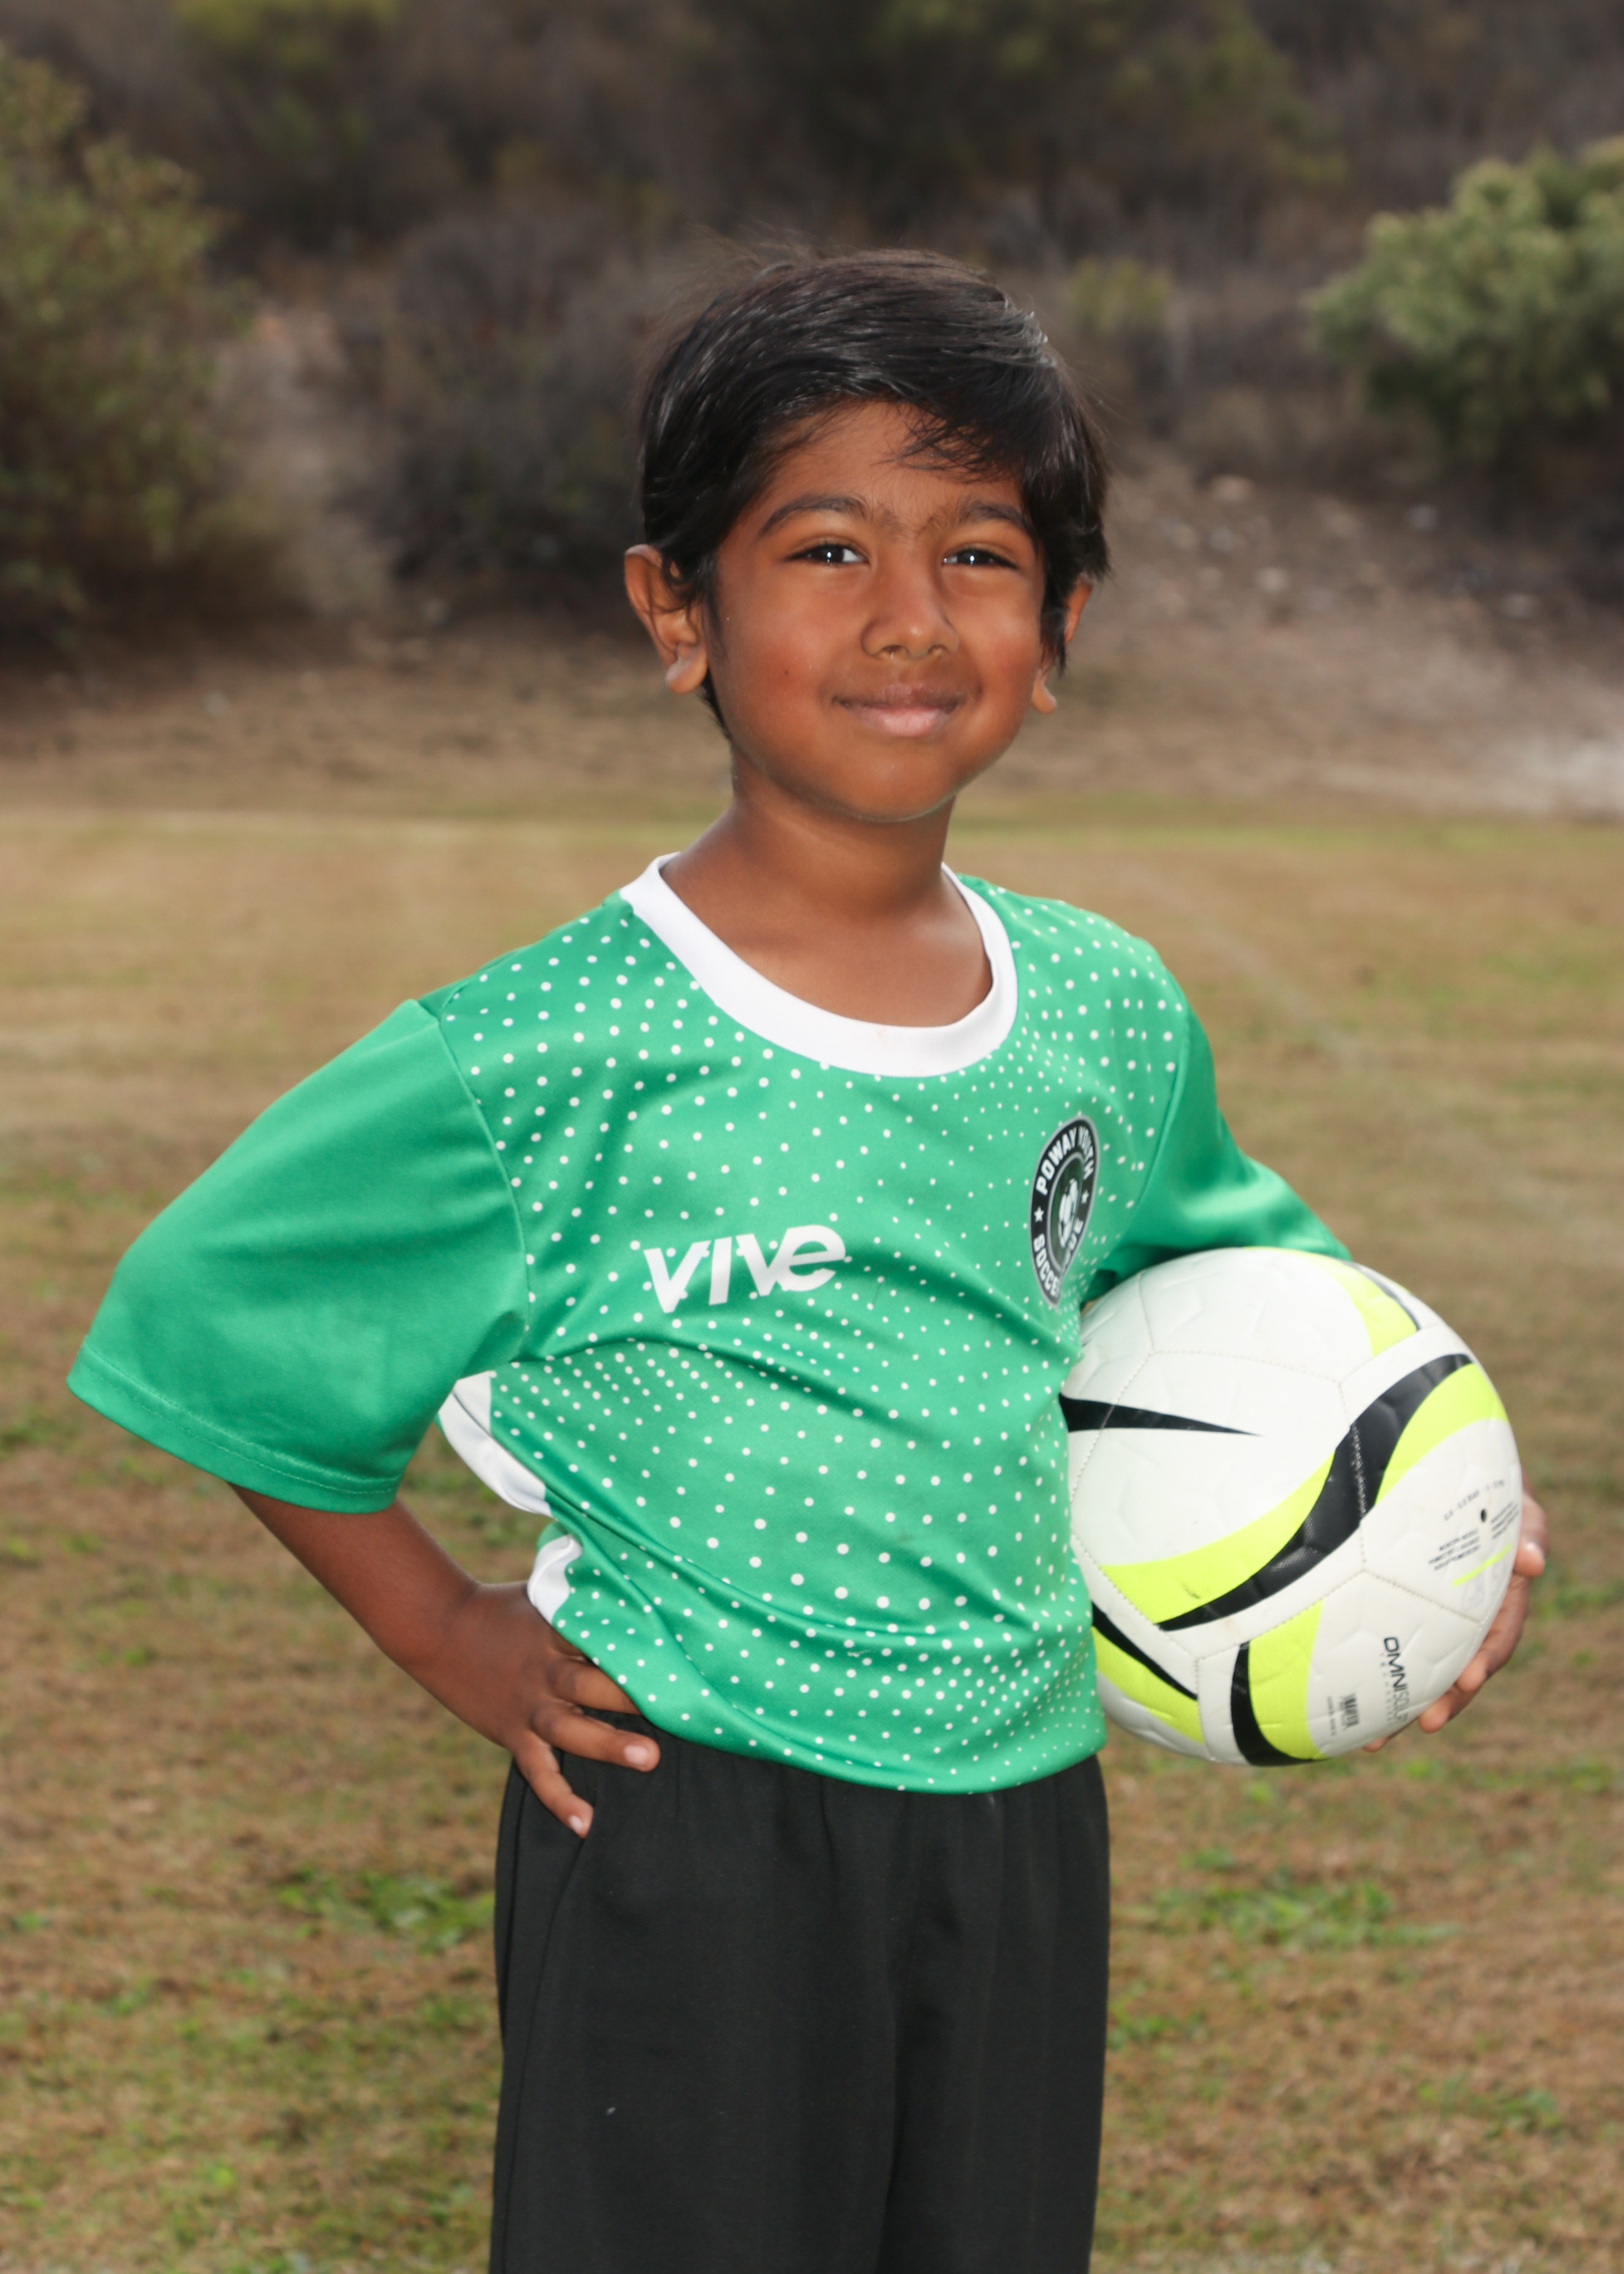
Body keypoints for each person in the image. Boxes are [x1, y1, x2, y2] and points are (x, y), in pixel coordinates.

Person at [67, 251, 1547, 2274]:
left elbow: (1275, 1312)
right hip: (690, 1822)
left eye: (980, 553)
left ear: (1060, 625)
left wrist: (1452, 1507)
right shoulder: (550, 1048)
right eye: (827, 546)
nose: (908, 614)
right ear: (675, 607)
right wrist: (444, 1630)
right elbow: (214, 1313)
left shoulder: (1100, 1010)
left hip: (1021, 1816)